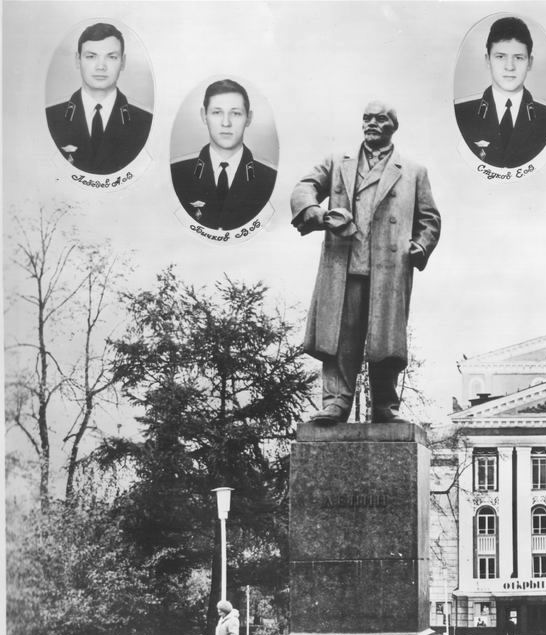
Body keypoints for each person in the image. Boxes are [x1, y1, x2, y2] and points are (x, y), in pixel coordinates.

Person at [291, 101, 441, 424]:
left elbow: (429, 219)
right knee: (338, 338)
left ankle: (385, 405)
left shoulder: (413, 172)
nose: (371, 123)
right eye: (367, 118)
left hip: (388, 269)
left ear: (393, 127)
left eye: (380, 118)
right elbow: (305, 186)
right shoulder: (337, 162)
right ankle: (336, 402)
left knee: (385, 342)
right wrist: (314, 211)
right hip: (343, 266)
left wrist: (420, 245)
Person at [45, 22, 152, 175]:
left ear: (123, 62)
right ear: (77, 60)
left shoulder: (145, 121)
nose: (101, 66)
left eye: (112, 57)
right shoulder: (50, 117)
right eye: (91, 56)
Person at [171, 79, 277, 231]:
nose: (226, 123)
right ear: (204, 115)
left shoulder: (269, 178)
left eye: (236, 113)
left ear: (249, 118)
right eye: (217, 112)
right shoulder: (178, 174)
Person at [454, 16, 546, 168]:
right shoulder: (462, 114)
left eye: (519, 58)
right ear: (488, 60)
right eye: (500, 57)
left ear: (530, 62)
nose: (509, 67)